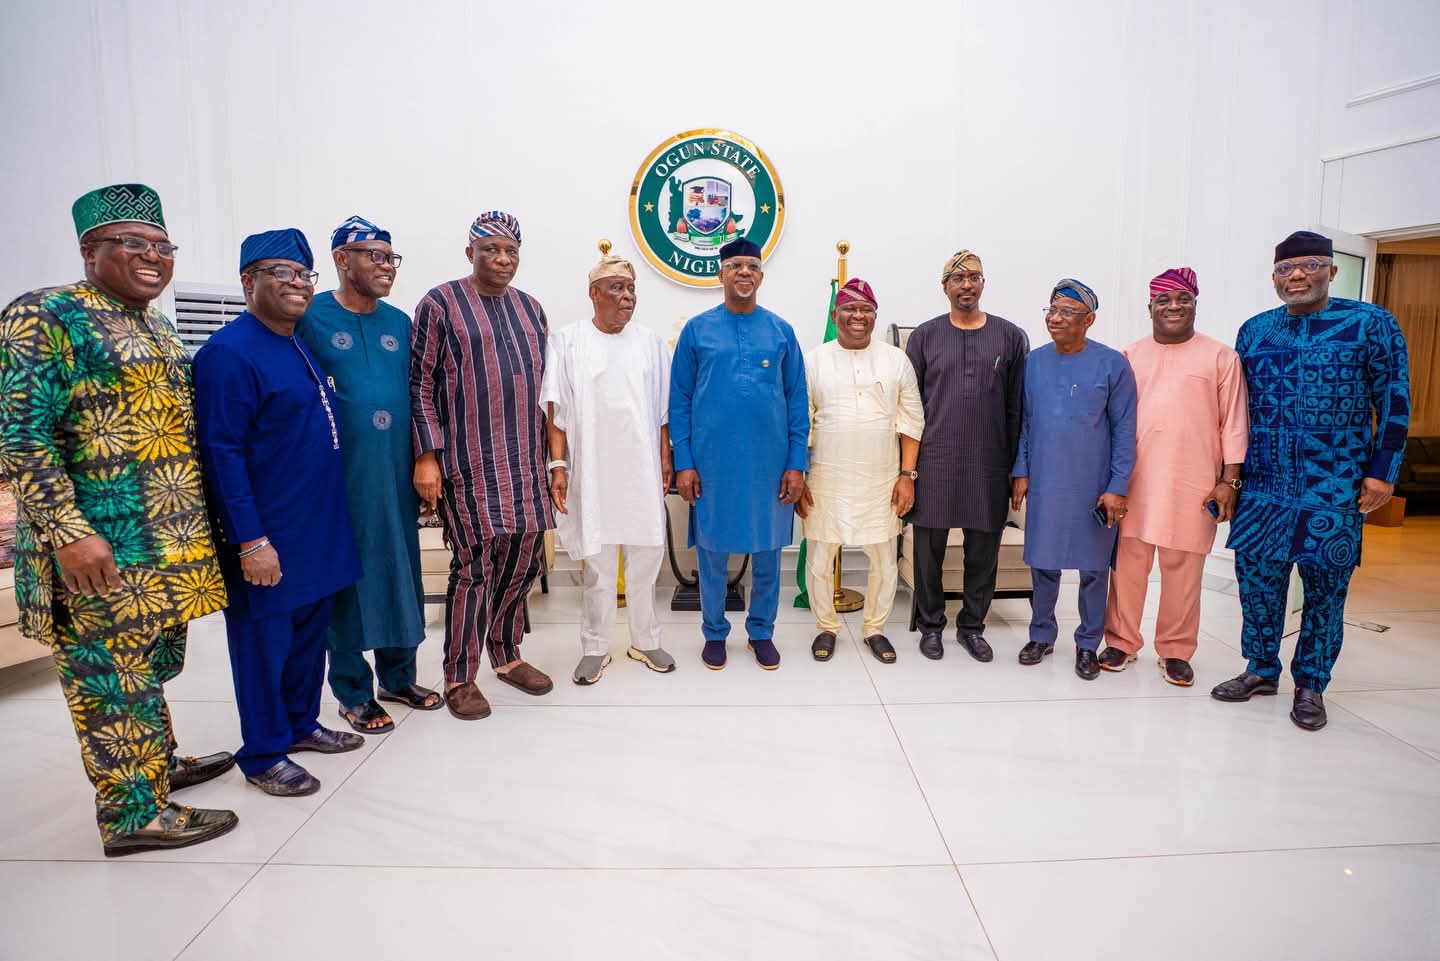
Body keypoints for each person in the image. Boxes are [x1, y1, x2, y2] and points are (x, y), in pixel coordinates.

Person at [0, 183, 236, 855]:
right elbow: (22, 437)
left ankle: (157, 767)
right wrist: (69, 531)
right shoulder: (46, 314)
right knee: (110, 678)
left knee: (146, 669)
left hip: (166, 546)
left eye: (163, 245)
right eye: (133, 243)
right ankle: (133, 815)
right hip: (97, 549)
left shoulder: (157, 324)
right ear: (89, 250)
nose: (154, 256)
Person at [1212, 231, 1410, 730]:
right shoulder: (1255, 331)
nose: (1297, 275)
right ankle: (1261, 669)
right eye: (1285, 268)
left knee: (1325, 592)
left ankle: (1311, 684)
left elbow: (1395, 401)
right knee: (1257, 587)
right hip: (1263, 484)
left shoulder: (1372, 324)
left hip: (1335, 485)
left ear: (1331, 271)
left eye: (1309, 265)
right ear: (1274, 277)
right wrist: (1228, 478)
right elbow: (1235, 411)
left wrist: (1382, 472)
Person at [194, 228, 365, 796]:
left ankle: (299, 724)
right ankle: (264, 753)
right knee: (263, 647)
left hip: (316, 530)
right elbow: (222, 453)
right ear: (249, 282)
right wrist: (250, 540)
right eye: (282, 273)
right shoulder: (229, 353)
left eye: (304, 275)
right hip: (269, 536)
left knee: (307, 638)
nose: (298, 284)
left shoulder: (295, 342)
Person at [411, 211, 554, 719]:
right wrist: (427, 456)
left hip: (526, 459)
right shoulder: (440, 303)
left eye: (511, 251)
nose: (502, 259)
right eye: (491, 249)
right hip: (469, 459)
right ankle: (459, 675)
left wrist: (555, 461)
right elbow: (419, 384)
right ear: (470, 252)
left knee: (524, 561)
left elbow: (548, 389)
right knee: (474, 567)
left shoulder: (532, 309)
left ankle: (507, 655)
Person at [298, 215, 436, 733]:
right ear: (342, 260)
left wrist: (426, 457)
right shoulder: (311, 316)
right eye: (374, 256)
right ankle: (352, 691)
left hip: (396, 471)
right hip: (340, 474)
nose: (387, 267)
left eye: (391, 258)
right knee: (348, 579)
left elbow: (421, 394)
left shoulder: (400, 323)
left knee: (400, 572)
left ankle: (398, 678)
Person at [1100, 268, 1248, 686]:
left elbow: (1234, 423)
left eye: (1183, 299)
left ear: (1195, 305)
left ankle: (1176, 650)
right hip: (1134, 480)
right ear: (1150, 307)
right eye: (1164, 300)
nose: (1174, 307)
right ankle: (1121, 641)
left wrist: (1228, 481)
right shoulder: (1129, 356)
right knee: (1127, 564)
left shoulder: (1221, 357)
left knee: (1184, 569)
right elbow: (1111, 423)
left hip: (1193, 480)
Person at [669, 238, 808, 670]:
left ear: (761, 275)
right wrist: (684, 462)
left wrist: (796, 464)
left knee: (768, 551)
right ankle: (714, 633)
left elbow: (798, 401)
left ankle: (761, 632)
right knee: (711, 551)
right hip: (712, 464)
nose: (744, 272)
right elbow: (679, 400)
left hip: (770, 465)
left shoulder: (781, 332)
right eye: (735, 266)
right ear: (721, 274)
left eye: (751, 266)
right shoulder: (697, 331)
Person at [541, 254, 675, 684]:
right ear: (594, 294)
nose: (627, 296)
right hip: (592, 469)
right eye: (617, 288)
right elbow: (556, 411)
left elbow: (663, 412)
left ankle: (645, 639)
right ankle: (595, 647)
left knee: (646, 555)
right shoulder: (567, 341)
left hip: (641, 469)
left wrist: (665, 458)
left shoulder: (650, 343)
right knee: (597, 563)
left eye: (631, 289)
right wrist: (558, 465)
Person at [905, 250, 1028, 661]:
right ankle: (931, 625)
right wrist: (907, 471)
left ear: (983, 283)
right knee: (928, 552)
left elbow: (1017, 407)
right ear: (945, 287)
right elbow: (910, 408)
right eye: (957, 279)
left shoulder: (1009, 337)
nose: (966, 285)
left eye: (973, 277)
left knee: (983, 552)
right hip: (935, 462)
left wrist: (1017, 467)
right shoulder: (925, 337)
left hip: (989, 462)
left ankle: (972, 626)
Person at [1011, 279, 1137, 680]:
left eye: (1067, 312)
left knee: (1094, 569)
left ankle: (1087, 644)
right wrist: (1021, 470)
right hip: (1046, 478)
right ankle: (1041, 635)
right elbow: (1024, 423)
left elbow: (1125, 430)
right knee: (1043, 563)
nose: (1055, 318)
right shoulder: (1034, 362)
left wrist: (1117, 486)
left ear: (1089, 320)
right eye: (1052, 310)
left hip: (1093, 484)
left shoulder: (1113, 364)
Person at [797, 278, 924, 663]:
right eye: (849, 309)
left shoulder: (896, 360)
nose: (858, 316)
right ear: (834, 315)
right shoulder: (814, 360)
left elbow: (912, 422)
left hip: (881, 478)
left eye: (866, 310)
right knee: (819, 560)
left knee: (884, 561)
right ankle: (826, 626)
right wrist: (799, 475)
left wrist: (907, 477)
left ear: (874, 316)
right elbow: (800, 423)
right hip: (826, 477)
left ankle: (874, 629)